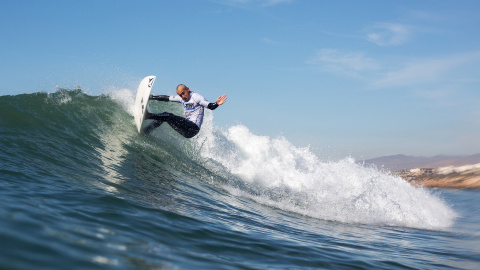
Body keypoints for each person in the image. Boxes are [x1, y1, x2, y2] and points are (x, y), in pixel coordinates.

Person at [144, 84, 227, 138]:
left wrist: (217, 103)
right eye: (180, 95)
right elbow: (166, 98)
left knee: (167, 115)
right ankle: (146, 131)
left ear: (187, 89)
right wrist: (151, 97)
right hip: (186, 131)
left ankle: (149, 115)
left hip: (193, 128)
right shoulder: (182, 98)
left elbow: (211, 106)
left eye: (183, 93)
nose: (183, 96)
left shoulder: (196, 97)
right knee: (163, 118)